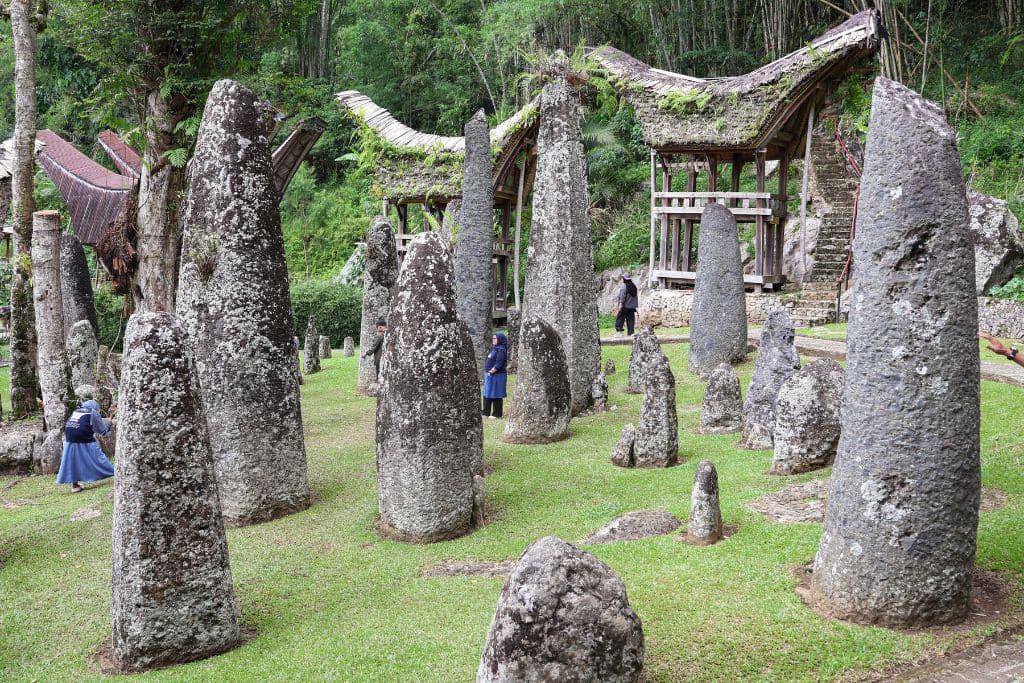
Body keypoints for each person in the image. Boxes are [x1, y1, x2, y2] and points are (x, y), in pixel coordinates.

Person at [56, 400, 114, 493]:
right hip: (83, 436)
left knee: (72, 461)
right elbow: (102, 431)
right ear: (95, 407)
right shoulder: (93, 412)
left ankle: (75, 485)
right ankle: (114, 472)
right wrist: (109, 422)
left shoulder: (76, 411)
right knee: (96, 455)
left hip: (69, 436)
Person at [482, 332, 508, 419]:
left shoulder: (501, 349)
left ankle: (497, 414)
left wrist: (491, 371)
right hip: (490, 375)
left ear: (500, 339)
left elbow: (499, 363)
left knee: (496, 394)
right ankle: (485, 412)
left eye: (495, 338)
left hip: (497, 376)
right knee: (487, 393)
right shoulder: (495, 348)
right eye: (493, 338)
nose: (493, 340)